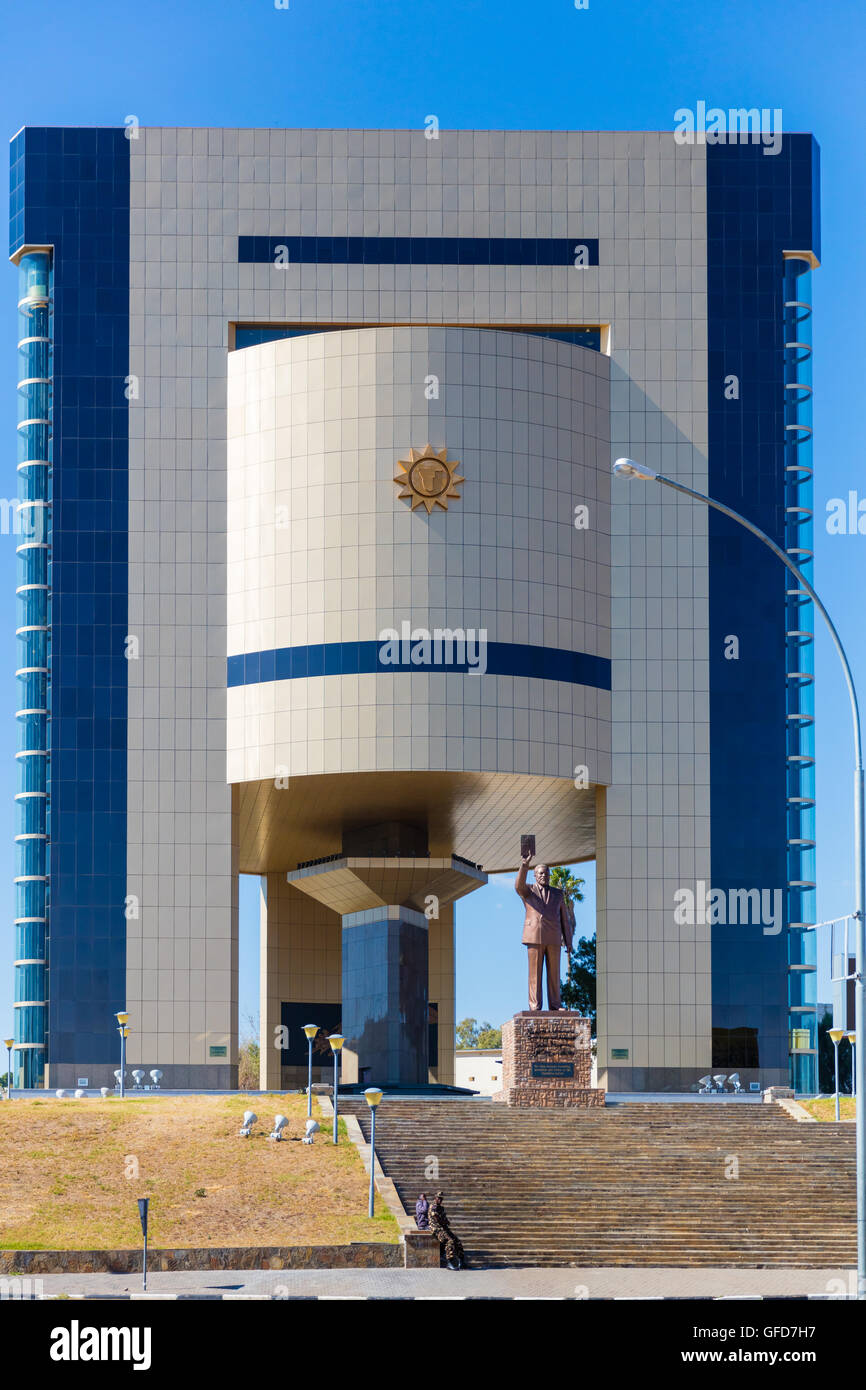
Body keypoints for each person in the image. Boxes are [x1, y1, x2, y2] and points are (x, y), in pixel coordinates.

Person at [514, 850, 574, 1011]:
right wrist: (524, 865)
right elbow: (518, 885)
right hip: (534, 937)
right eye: (540, 874)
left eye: (546, 874)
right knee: (535, 975)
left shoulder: (558, 894)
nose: (544, 876)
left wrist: (568, 941)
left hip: (554, 938)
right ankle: (535, 1007)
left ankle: (555, 1005)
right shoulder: (528, 891)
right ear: (535, 875)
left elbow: (564, 919)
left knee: (554, 974)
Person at [429, 1191, 465, 1270]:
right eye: (438, 1198)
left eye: (441, 1199)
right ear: (435, 1198)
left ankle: (461, 1261)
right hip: (437, 1229)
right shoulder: (433, 1207)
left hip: (444, 1228)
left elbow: (445, 1220)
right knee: (450, 1241)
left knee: (457, 1241)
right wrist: (444, 1221)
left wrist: (446, 1221)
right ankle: (450, 1262)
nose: (440, 1200)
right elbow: (438, 1219)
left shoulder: (441, 1208)